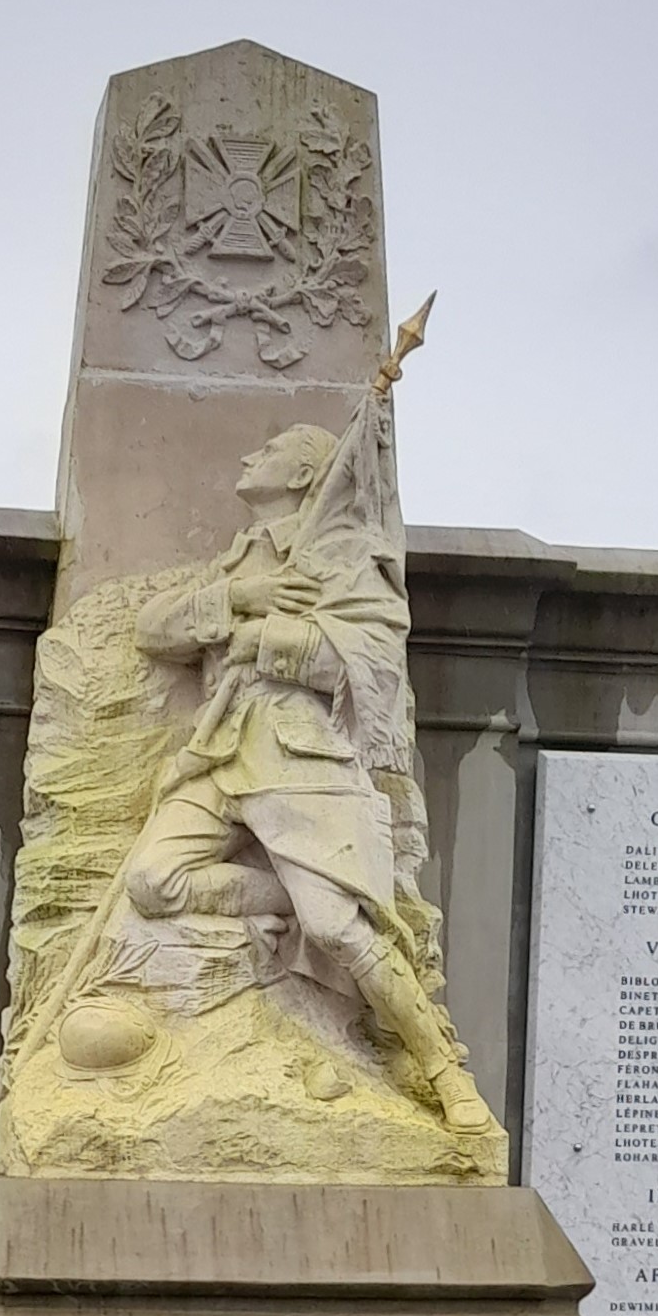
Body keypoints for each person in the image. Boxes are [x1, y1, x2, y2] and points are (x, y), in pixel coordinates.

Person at [119, 421, 493, 1133]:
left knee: (339, 928)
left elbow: (374, 666)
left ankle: (444, 1071)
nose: (245, 452)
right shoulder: (244, 562)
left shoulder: (344, 554)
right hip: (221, 752)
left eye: (269, 450)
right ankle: (282, 895)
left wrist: (274, 641)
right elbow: (154, 629)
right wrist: (239, 602)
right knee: (152, 879)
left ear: (302, 476)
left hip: (299, 757)